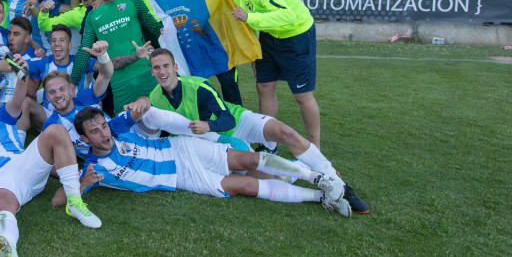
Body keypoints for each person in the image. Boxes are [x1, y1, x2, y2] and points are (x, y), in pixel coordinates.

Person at [144, 48, 369, 213]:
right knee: (269, 177)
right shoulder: (155, 98)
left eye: (166, 66)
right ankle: (313, 181)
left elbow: (227, 119)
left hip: (236, 122)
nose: (162, 71)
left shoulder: (198, 86)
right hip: (215, 142)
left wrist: (208, 125)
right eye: (156, 67)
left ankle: (339, 183)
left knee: (284, 132)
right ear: (152, 72)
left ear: (175, 67)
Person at [0, 64, 101, 257]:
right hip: (1, 181)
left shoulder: (1, 116)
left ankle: (75, 203)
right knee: (4, 205)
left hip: (24, 163)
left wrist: (22, 74)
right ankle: (8, 249)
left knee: (56, 130)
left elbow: (18, 98)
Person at [74, 105, 350, 215]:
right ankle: (319, 198)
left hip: (180, 148)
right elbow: (63, 199)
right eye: (94, 131)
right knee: (242, 187)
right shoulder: (94, 169)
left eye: (103, 125)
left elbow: (140, 109)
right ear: (85, 140)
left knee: (247, 160)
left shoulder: (116, 128)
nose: (103, 133)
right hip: (180, 178)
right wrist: (82, 185)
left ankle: (317, 177)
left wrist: (142, 103)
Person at [208, 0, 323, 148]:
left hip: (297, 35)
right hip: (270, 36)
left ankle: (315, 146)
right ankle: (268, 144)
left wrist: (250, 17)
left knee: (302, 95)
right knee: (264, 86)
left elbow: (289, 16)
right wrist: (254, 53)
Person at [69, 0, 161, 114]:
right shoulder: (92, 16)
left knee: (163, 125)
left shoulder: (133, 2)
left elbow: (156, 29)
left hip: (147, 75)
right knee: (126, 133)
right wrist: (72, 82)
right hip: (120, 84)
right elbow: (84, 50)